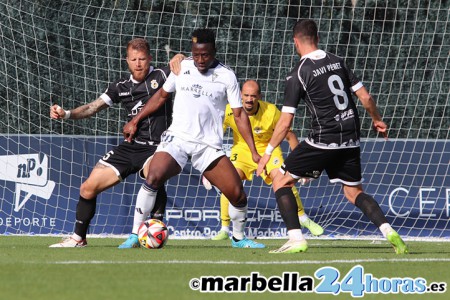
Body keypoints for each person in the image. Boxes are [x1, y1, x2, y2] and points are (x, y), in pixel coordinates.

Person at [256, 19, 408, 254]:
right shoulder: (338, 61)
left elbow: (285, 122)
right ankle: (389, 231)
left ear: (296, 42)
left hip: (323, 139)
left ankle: (296, 239)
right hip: (350, 138)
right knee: (354, 192)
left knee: (281, 181)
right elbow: (365, 98)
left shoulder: (298, 73)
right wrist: (377, 119)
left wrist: (267, 153)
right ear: (317, 38)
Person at [123, 28, 265, 249]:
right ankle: (134, 234)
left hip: (208, 146)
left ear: (214, 51)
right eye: (196, 54)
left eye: (205, 55)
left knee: (237, 194)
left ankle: (238, 238)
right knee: (153, 177)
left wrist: (254, 151)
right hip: (177, 139)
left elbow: (239, 116)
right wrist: (135, 120)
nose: (200, 60)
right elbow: (161, 96)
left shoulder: (227, 76)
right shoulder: (182, 67)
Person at [49, 38, 173, 248]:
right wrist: (67, 114)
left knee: (154, 176)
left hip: (160, 146)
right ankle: (78, 238)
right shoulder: (119, 87)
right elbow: (92, 107)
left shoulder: (162, 75)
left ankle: (149, 229)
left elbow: (185, 64)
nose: (138, 63)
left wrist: (179, 58)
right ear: (127, 61)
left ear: (150, 58)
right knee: (88, 188)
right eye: (133, 59)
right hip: (132, 146)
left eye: (142, 58)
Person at [210, 79, 323, 241]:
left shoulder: (271, 111)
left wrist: (301, 165)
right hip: (242, 150)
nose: (249, 99)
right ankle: (224, 228)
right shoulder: (230, 111)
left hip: (268, 151)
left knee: (283, 180)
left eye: (253, 96)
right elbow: (215, 135)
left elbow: (290, 136)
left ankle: (303, 218)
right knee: (230, 181)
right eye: (246, 95)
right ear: (240, 95)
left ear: (259, 96)